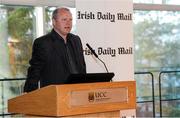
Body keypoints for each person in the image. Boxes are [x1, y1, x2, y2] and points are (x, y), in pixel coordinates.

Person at [24, 7, 86, 92]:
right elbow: (35, 72)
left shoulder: (76, 40)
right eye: (64, 19)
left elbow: (82, 67)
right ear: (54, 22)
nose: (68, 23)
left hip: (78, 92)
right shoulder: (43, 42)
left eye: (70, 20)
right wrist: (28, 94)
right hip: (55, 94)